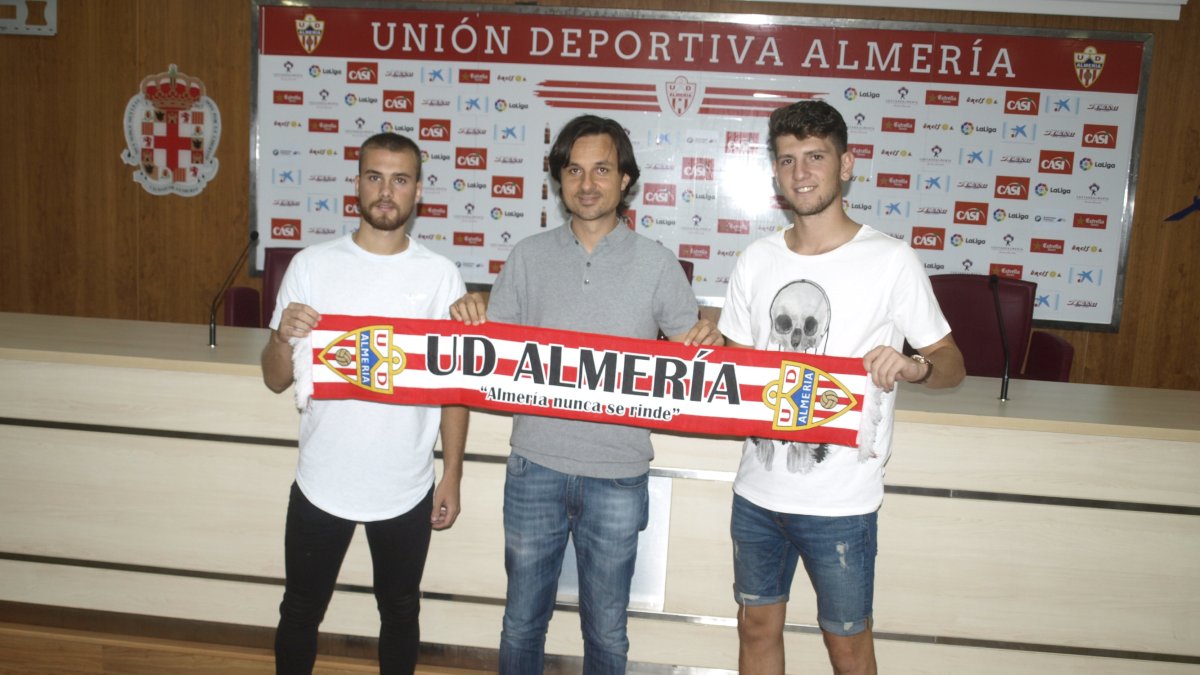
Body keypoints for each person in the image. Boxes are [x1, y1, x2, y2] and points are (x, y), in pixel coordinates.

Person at [450, 114, 721, 673]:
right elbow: (489, 355)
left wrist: (710, 338)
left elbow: (698, 356)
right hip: (535, 467)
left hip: (619, 473)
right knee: (522, 621)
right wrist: (472, 313)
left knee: (608, 630)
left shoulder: (656, 263)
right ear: (559, 178)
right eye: (574, 169)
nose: (588, 183)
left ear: (625, 179)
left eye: (602, 169)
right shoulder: (526, 256)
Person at [717, 100, 966, 675]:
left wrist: (915, 367)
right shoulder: (756, 260)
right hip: (756, 492)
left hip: (842, 501)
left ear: (846, 164)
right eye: (787, 160)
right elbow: (734, 366)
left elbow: (952, 363)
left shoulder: (891, 260)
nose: (800, 173)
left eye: (815, 157)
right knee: (755, 628)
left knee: (847, 646)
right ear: (775, 173)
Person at [260, 132, 468, 675]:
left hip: (404, 485)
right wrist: (282, 338)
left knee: (400, 613)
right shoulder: (312, 265)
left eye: (399, 179)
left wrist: (452, 475)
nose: (385, 191)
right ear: (357, 184)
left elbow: (453, 389)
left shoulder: (440, 275)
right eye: (374, 176)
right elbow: (274, 379)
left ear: (417, 191)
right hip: (322, 478)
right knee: (300, 611)